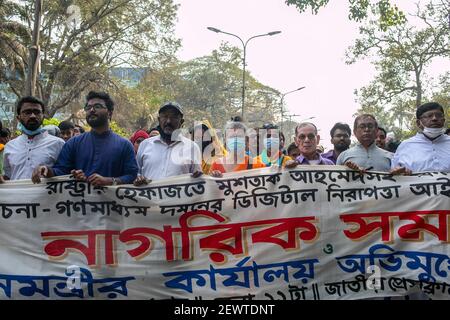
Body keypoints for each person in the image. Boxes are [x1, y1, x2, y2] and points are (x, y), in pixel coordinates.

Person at [32, 91, 138, 186]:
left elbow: (131, 175)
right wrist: (47, 170)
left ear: (109, 113)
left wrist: (110, 181)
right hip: (80, 205)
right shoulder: (73, 143)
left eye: (97, 106)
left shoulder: (124, 144)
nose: (91, 110)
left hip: (113, 206)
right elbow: (61, 171)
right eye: (88, 107)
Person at [134, 102, 202, 185]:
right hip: (148, 197)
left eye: (174, 117)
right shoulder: (145, 145)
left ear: (181, 122)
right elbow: (136, 173)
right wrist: (138, 178)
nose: (168, 121)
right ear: (159, 120)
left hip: (180, 198)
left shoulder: (192, 148)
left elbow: (197, 180)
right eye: (165, 116)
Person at [2, 96, 64, 181]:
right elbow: (8, 176)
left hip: (48, 194)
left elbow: (64, 173)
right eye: (27, 112)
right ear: (18, 118)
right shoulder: (9, 146)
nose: (32, 116)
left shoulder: (58, 144)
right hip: (16, 194)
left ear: (43, 116)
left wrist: (48, 171)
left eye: (37, 112)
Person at [391, 102, 450, 173]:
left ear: (443, 120)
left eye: (439, 115)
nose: (434, 118)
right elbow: (394, 172)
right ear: (418, 123)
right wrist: (399, 172)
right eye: (429, 116)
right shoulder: (405, 145)